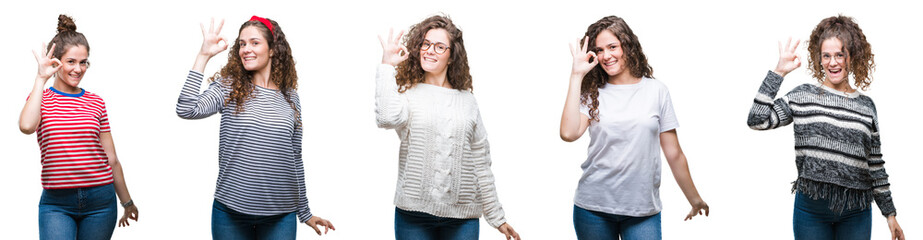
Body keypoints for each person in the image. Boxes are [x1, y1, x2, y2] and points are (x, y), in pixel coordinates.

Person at [747, 15, 904, 240]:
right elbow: (757, 120)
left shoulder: (866, 106)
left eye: (840, 54)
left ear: (852, 56)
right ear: (818, 58)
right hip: (811, 211)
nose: (833, 62)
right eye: (826, 56)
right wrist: (778, 72)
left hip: (856, 213)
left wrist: (890, 214)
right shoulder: (802, 96)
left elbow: (875, 164)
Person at [176, 16, 334, 239]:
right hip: (230, 213)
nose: (246, 49)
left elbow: (295, 157)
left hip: (281, 215)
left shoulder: (291, 98)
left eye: (254, 42)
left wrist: (305, 212)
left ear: (272, 49)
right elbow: (186, 109)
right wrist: (203, 56)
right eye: (242, 44)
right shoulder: (229, 87)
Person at [559, 15, 709, 240]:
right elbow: (568, 133)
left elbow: (674, 153)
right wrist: (576, 75)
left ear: (627, 46)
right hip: (593, 208)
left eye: (612, 47)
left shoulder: (657, 91)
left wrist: (694, 199)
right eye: (599, 50)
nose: (606, 55)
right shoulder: (592, 92)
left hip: (642, 210)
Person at [376, 14, 520, 240]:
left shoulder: (468, 101)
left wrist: (496, 217)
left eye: (439, 46)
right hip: (413, 216)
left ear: (452, 56)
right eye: (425, 44)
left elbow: (481, 162)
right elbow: (386, 118)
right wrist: (387, 66)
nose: (429, 50)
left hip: (462, 218)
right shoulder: (408, 93)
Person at [19, 14, 139, 240]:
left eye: (83, 62)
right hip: (57, 204)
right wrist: (40, 79)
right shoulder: (41, 99)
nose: (78, 69)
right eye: (71, 62)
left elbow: (111, 158)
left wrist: (127, 202)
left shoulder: (96, 102)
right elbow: (26, 126)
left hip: (100, 202)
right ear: (55, 62)